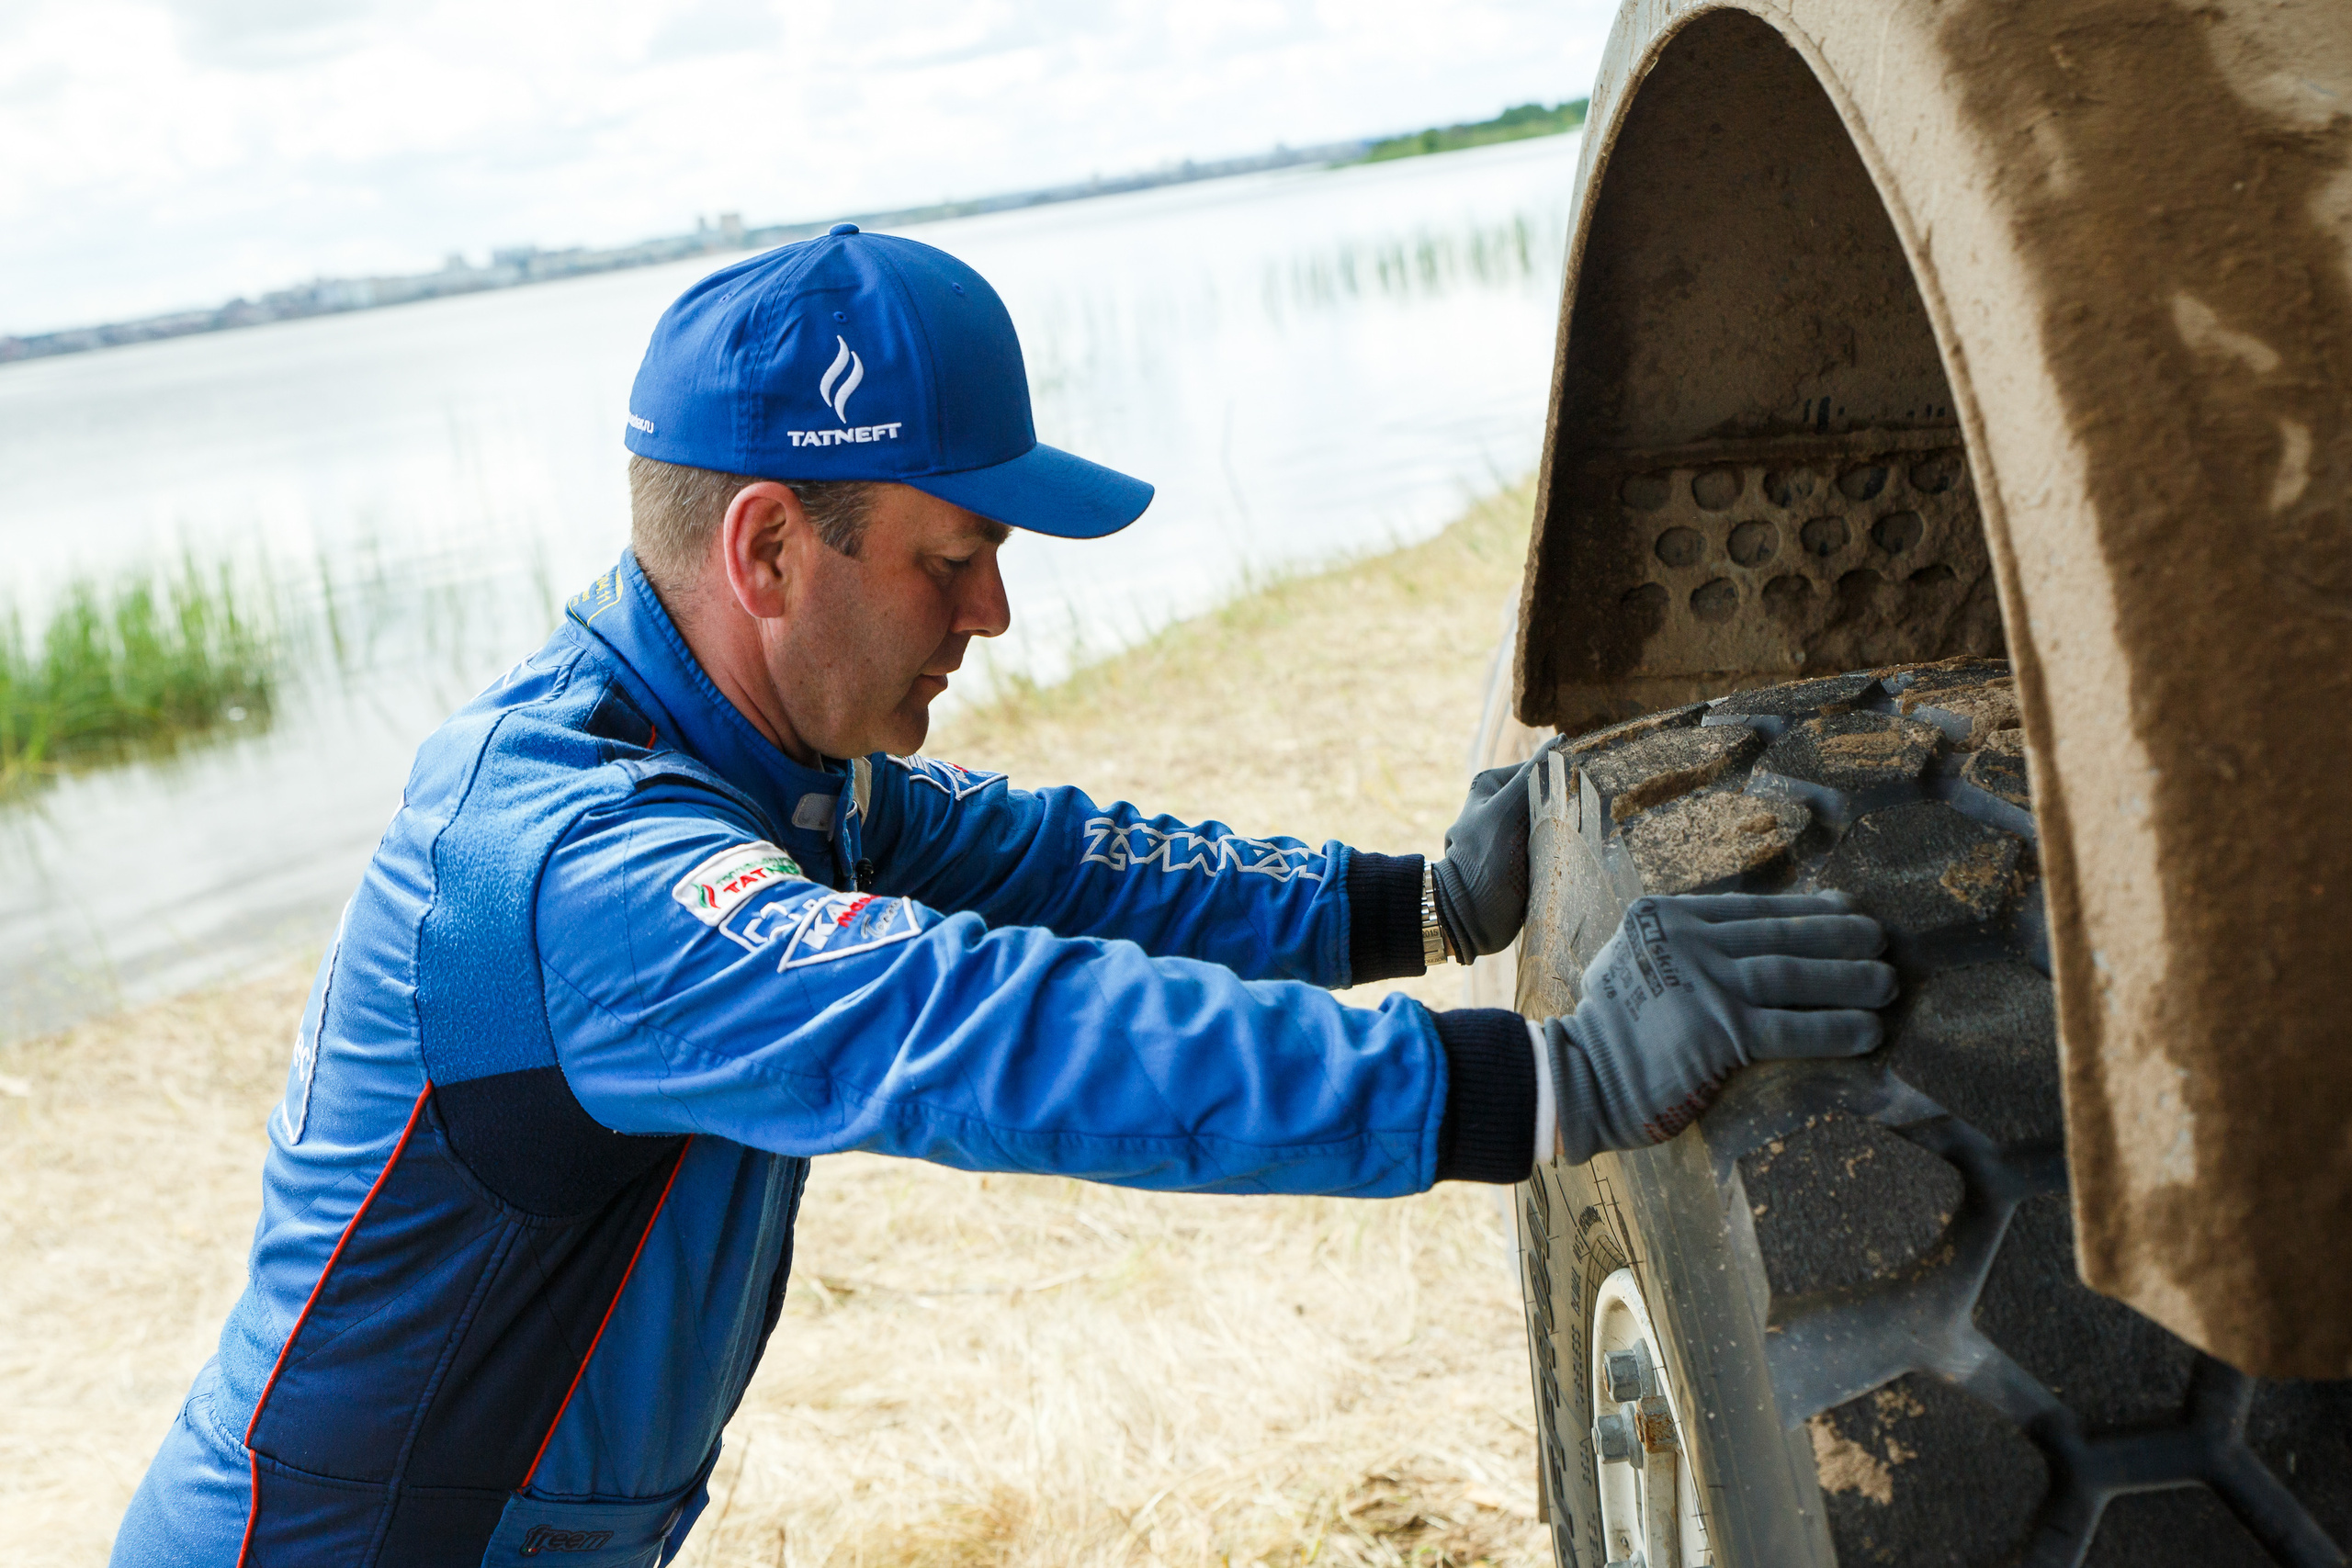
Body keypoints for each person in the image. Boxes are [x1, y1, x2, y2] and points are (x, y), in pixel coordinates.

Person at [112, 226, 1895, 1565]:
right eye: (948, 561)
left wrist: (1420, 901)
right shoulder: (583, 868)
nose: (991, 617)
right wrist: (1538, 1086)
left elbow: (1059, 862)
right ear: (764, 548)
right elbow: (983, 1029)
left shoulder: (765, 775)